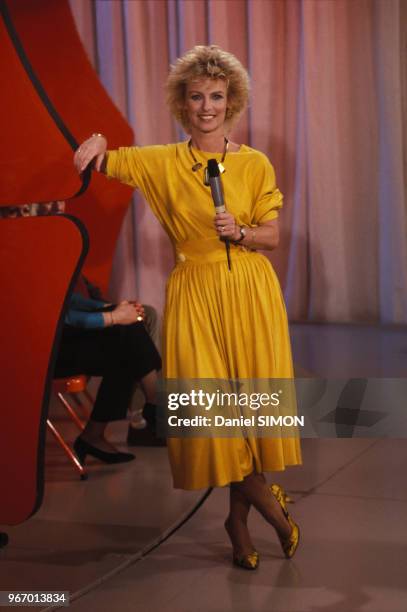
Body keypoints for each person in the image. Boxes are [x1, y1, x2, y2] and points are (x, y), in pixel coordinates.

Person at [74, 45, 301, 569]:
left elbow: (272, 235)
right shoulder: (163, 163)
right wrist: (95, 145)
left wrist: (241, 231)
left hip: (250, 292)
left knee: (248, 413)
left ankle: (237, 528)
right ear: (182, 103)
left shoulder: (254, 163)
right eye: (196, 97)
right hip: (195, 294)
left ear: (232, 101)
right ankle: (270, 506)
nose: (206, 107)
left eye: (216, 97)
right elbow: (103, 161)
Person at [55, 291, 162, 463]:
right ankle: (155, 402)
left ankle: (94, 435)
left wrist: (110, 309)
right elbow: (57, 315)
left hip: (62, 333)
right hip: (42, 353)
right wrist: (114, 316)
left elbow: (65, 299)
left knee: (141, 317)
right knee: (125, 335)